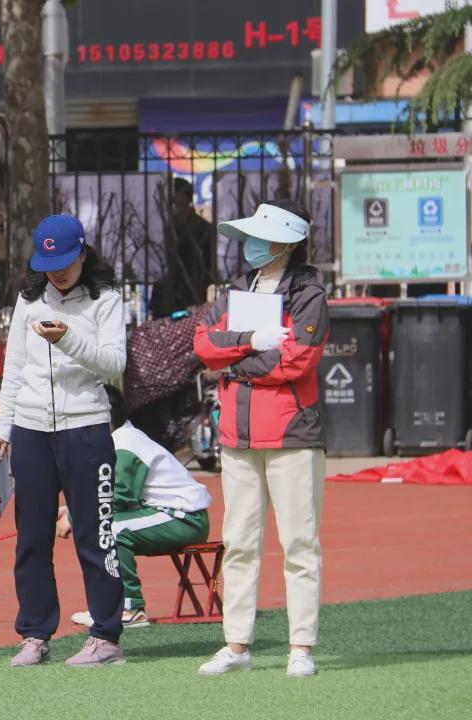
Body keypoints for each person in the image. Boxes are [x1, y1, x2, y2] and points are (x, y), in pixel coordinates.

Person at [192, 199, 328, 678]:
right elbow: (203, 345)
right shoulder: (234, 292)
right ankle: (237, 644)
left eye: (258, 237)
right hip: (238, 434)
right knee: (240, 540)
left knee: (299, 543)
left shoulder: (309, 292)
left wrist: (233, 360)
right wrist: (250, 344)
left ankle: (302, 647)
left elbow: (297, 359)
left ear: (285, 241)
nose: (248, 245)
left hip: (292, 434)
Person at [0, 213, 128, 668]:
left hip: (85, 427)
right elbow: (14, 370)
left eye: (66, 260)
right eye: (49, 262)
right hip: (30, 430)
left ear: (84, 254)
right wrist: (1, 428)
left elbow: (113, 366)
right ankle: (34, 633)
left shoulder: (106, 300)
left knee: (95, 534)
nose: (58, 271)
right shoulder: (28, 301)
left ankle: (106, 636)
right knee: (31, 537)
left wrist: (67, 340)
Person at [56, 385, 212, 630]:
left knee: (113, 530)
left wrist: (76, 517)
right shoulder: (118, 439)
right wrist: (72, 508)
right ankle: (108, 607)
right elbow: (108, 495)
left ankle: (130, 609)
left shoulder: (125, 446)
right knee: (107, 527)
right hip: (167, 514)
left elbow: (116, 497)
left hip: (184, 518)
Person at [151, 178, 217, 317]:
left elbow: (208, 259)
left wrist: (202, 280)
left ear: (185, 195)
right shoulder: (171, 224)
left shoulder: (200, 226)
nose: (172, 197)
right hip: (173, 284)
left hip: (192, 285)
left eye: (176, 192)